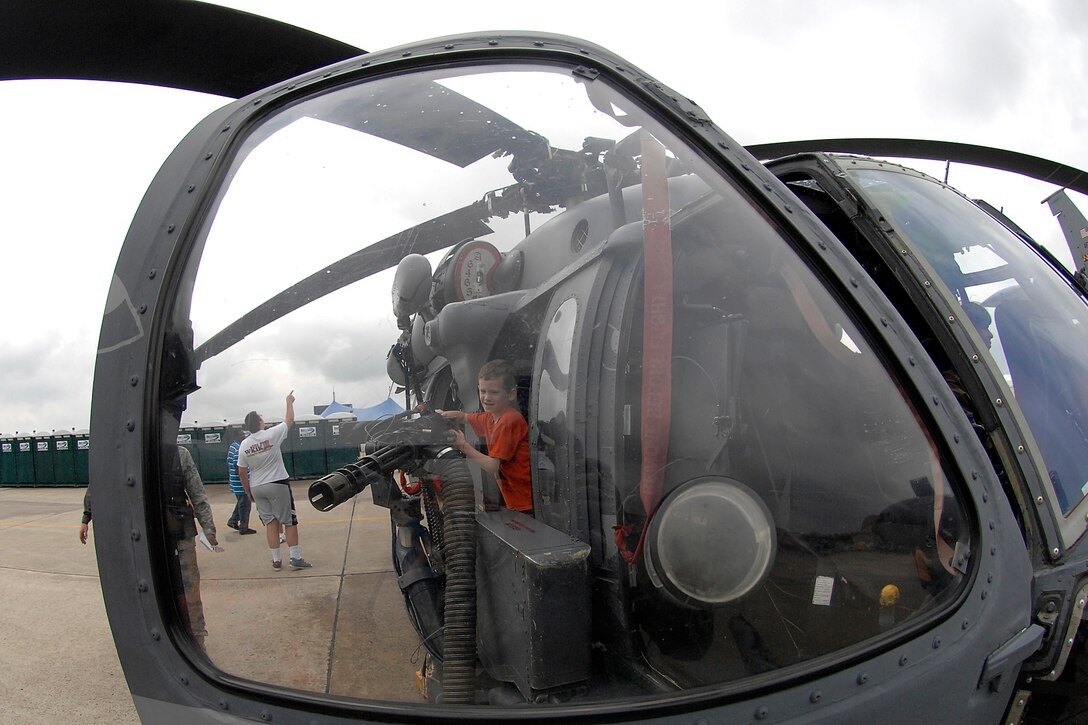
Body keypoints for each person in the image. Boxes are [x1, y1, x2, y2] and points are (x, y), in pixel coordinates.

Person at [80, 446, 219, 650]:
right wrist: (86, 516)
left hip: (178, 534)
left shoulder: (179, 455)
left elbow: (197, 493)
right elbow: (99, 483)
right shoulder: (128, 455)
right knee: (150, 591)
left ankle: (197, 640)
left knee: (189, 590)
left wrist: (209, 527)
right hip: (145, 537)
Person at [438, 359, 533, 514]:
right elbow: (463, 417)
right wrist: (443, 416)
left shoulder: (509, 421)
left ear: (511, 394)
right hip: (515, 497)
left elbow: (492, 466)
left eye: (494, 392)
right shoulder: (491, 417)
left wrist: (463, 446)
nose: (487, 398)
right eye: (483, 391)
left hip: (526, 500)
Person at [237, 390, 312, 570]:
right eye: (261, 417)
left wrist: (248, 492)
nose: (264, 419)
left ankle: (276, 560)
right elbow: (289, 421)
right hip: (277, 483)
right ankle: (295, 557)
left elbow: (241, 470)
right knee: (289, 521)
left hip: (256, 487)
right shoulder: (271, 434)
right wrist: (289, 402)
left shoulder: (244, 444)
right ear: (259, 423)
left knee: (270, 523)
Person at [225, 428, 256, 534]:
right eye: (242, 434)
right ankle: (244, 528)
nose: (244, 436)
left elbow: (229, 464)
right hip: (240, 483)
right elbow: (238, 466)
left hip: (235, 482)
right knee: (245, 506)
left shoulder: (232, 446)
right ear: (237, 436)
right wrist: (245, 481)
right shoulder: (239, 448)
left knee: (241, 503)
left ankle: (233, 520)